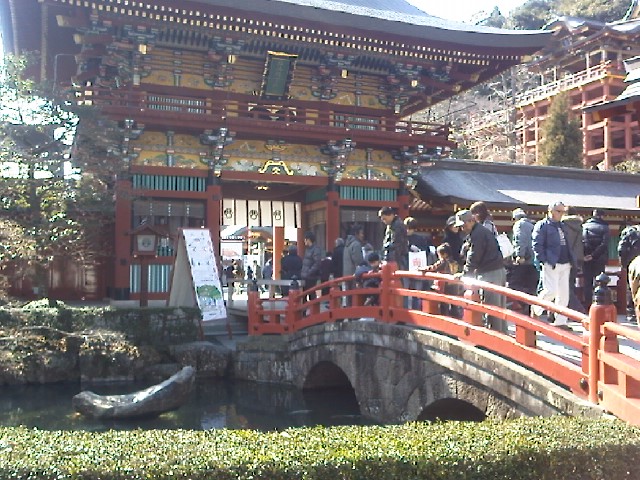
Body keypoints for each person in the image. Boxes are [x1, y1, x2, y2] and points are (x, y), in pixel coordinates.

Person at [455, 209, 508, 333]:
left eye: (463, 225)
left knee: (491, 309)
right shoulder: (481, 231)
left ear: (471, 221)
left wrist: (465, 274)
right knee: (499, 309)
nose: (462, 228)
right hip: (498, 271)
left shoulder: (477, 234)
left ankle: (495, 338)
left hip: (489, 273)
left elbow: (474, 256)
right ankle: (502, 336)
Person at [531, 201, 574, 330]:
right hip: (551, 262)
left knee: (564, 294)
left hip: (565, 262)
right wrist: (543, 260)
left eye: (563, 212)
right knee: (551, 290)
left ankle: (561, 321)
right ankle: (536, 308)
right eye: (559, 211)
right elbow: (537, 244)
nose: (561, 214)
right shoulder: (542, 225)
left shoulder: (563, 226)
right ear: (551, 211)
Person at [507, 208, 538, 314]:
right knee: (530, 285)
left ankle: (524, 303)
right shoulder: (532, 225)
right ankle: (529, 307)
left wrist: (520, 255)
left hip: (525, 260)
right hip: (533, 260)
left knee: (514, 284)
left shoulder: (520, 225)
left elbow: (520, 240)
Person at [422, 242, 461, 318]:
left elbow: (433, 267)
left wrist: (422, 269)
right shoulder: (455, 262)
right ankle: (456, 317)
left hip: (445, 286)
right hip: (454, 286)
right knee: (454, 303)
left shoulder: (443, 262)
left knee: (444, 303)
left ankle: (445, 317)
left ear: (444, 254)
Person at [582, 209, 610, 307]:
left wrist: (586, 255)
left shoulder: (584, 226)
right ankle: (599, 304)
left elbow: (582, 242)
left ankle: (588, 305)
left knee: (587, 283)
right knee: (600, 282)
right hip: (599, 259)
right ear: (602, 216)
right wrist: (594, 255)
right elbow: (604, 244)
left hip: (586, 259)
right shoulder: (605, 227)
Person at [405, 216, 432, 308]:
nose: (408, 231)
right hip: (406, 268)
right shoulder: (402, 239)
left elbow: (427, 251)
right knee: (406, 292)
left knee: (416, 292)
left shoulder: (420, 239)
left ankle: (416, 310)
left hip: (416, 267)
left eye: (410, 229)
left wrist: (418, 250)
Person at [562, 206, 585, 312]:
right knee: (570, 284)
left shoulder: (562, 225)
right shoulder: (580, 225)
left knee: (563, 286)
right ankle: (571, 310)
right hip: (576, 259)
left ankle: (577, 309)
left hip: (565, 257)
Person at [618, 223, 640, 321]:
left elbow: (621, 249)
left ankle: (631, 312)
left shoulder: (628, 232)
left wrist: (623, 264)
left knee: (631, 287)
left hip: (633, 263)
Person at [301, 231, 323, 302]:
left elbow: (317, 263)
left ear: (308, 239)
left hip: (311, 276)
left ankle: (313, 309)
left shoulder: (316, 250)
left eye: (305, 239)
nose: (304, 241)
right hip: (305, 276)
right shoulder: (308, 249)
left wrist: (309, 272)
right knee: (303, 296)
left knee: (312, 295)